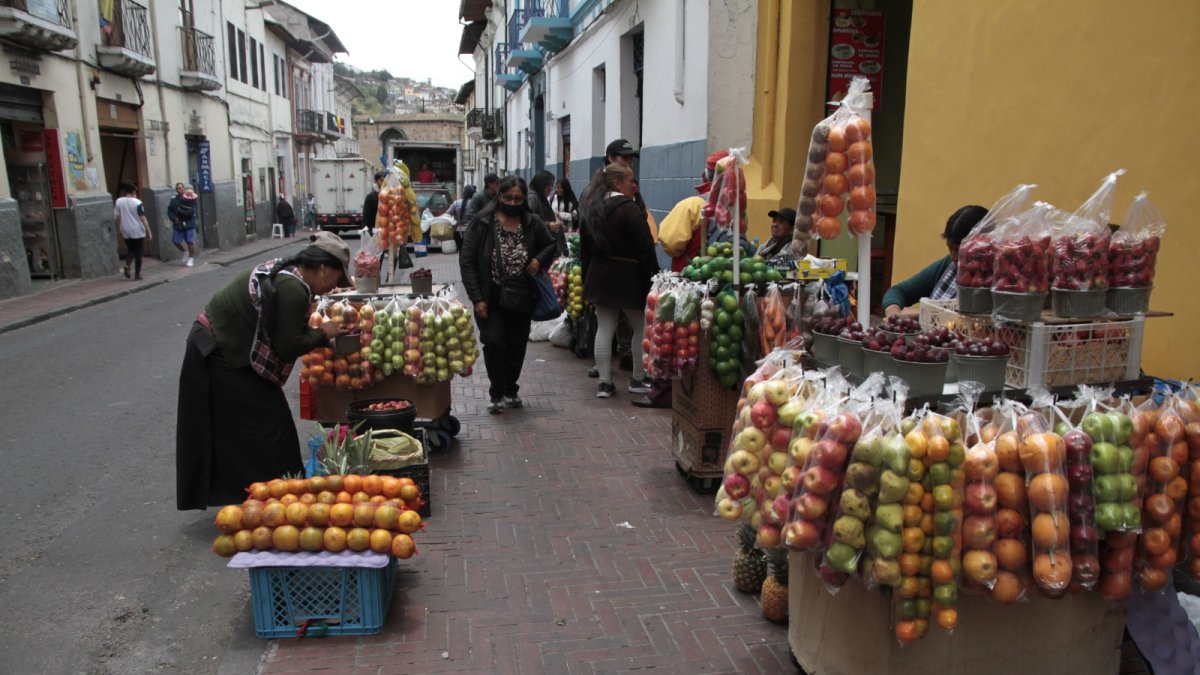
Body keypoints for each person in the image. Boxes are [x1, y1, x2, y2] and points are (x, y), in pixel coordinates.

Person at [176, 231, 353, 510]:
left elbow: (284, 327)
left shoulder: (290, 274)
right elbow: (287, 345)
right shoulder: (293, 288)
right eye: (336, 279)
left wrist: (321, 336)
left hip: (226, 348)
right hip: (220, 351)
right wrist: (322, 334)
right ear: (322, 269)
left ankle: (266, 497)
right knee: (268, 425)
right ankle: (278, 498)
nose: (334, 287)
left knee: (256, 425)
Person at [458, 175, 558, 415]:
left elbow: (550, 245)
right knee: (494, 342)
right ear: (499, 196)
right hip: (490, 296)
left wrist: (537, 260)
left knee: (516, 346)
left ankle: (510, 388)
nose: (513, 202)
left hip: (522, 295)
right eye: (508, 197)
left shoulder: (532, 222)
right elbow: (468, 261)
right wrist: (476, 298)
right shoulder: (483, 223)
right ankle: (496, 392)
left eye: (518, 198)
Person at [579, 163, 660, 399]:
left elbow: (584, 250)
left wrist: (587, 278)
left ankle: (604, 383)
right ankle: (637, 377)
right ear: (617, 183)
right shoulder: (629, 209)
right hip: (628, 277)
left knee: (605, 328)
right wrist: (654, 275)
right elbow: (645, 247)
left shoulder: (592, 208)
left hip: (599, 274)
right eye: (630, 180)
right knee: (640, 327)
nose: (633, 185)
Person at [882, 204, 989, 317]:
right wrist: (893, 313)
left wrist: (922, 313)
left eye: (958, 251)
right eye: (950, 248)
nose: (953, 256)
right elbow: (899, 291)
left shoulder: (994, 279)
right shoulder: (948, 266)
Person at [658, 150, 754, 272]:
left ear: (705, 176)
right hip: (728, 275)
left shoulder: (692, 205)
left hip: (694, 279)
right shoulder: (738, 208)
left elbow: (671, 244)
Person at [115, 181, 152, 280]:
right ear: (133, 192)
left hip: (125, 228)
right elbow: (142, 218)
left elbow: (118, 217)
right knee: (138, 251)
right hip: (137, 229)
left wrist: (119, 229)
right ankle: (137, 273)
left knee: (130, 249)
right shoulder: (137, 202)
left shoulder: (119, 201)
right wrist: (149, 231)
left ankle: (127, 264)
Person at [528, 170, 565, 255]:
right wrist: (548, 226)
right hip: (538, 250)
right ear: (540, 183)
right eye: (548, 185)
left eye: (552, 185)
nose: (551, 188)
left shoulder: (540, 197)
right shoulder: (533, 198)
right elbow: (528, 222)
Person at [168, 183, 198, 266]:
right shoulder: (173, 200)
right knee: (175, 240)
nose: (179, 190)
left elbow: (192, 211)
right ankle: (185, 252)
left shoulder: (191, 198)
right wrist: (174, 218)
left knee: (190, 241)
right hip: (178, 224)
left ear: (183, 188)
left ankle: (191, 258)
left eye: (180, 188)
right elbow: (169, 211)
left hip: (189, 222)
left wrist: (181, 212)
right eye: (177, 188)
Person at [448, 185, 476, 251]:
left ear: (463, 193)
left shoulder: (456, 203)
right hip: (472, 232)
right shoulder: (475, 203)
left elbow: (447, 214)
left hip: (458, 232)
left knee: (461, 252)